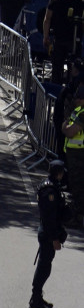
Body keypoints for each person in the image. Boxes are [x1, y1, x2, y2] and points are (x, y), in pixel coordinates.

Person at [30, 160, 70, 308]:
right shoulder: (50, 191)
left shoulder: (52, 186)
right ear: (58, 173)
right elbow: (49, 218)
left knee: (45, 266)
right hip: (47, 233)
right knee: (44, 267)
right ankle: (36, 299)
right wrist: (54, 239)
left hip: (48, 232)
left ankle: (37, 297)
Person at [44, 0, 84, 84]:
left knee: (57, 68)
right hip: (75, 41)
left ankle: (55, 93)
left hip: (59, 40)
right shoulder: (80, 3)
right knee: (75, 69)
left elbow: (47, 19)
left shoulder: (55, 0)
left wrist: (45, 37)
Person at [62, 80, 84, 222]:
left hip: (79, 156)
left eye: (78, 98)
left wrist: (64, 127)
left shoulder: (82, 114)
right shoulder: (79, 111)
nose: (75, 100)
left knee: (78, 187)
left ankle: (78, 217)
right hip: (75, 155)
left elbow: (70, 132)